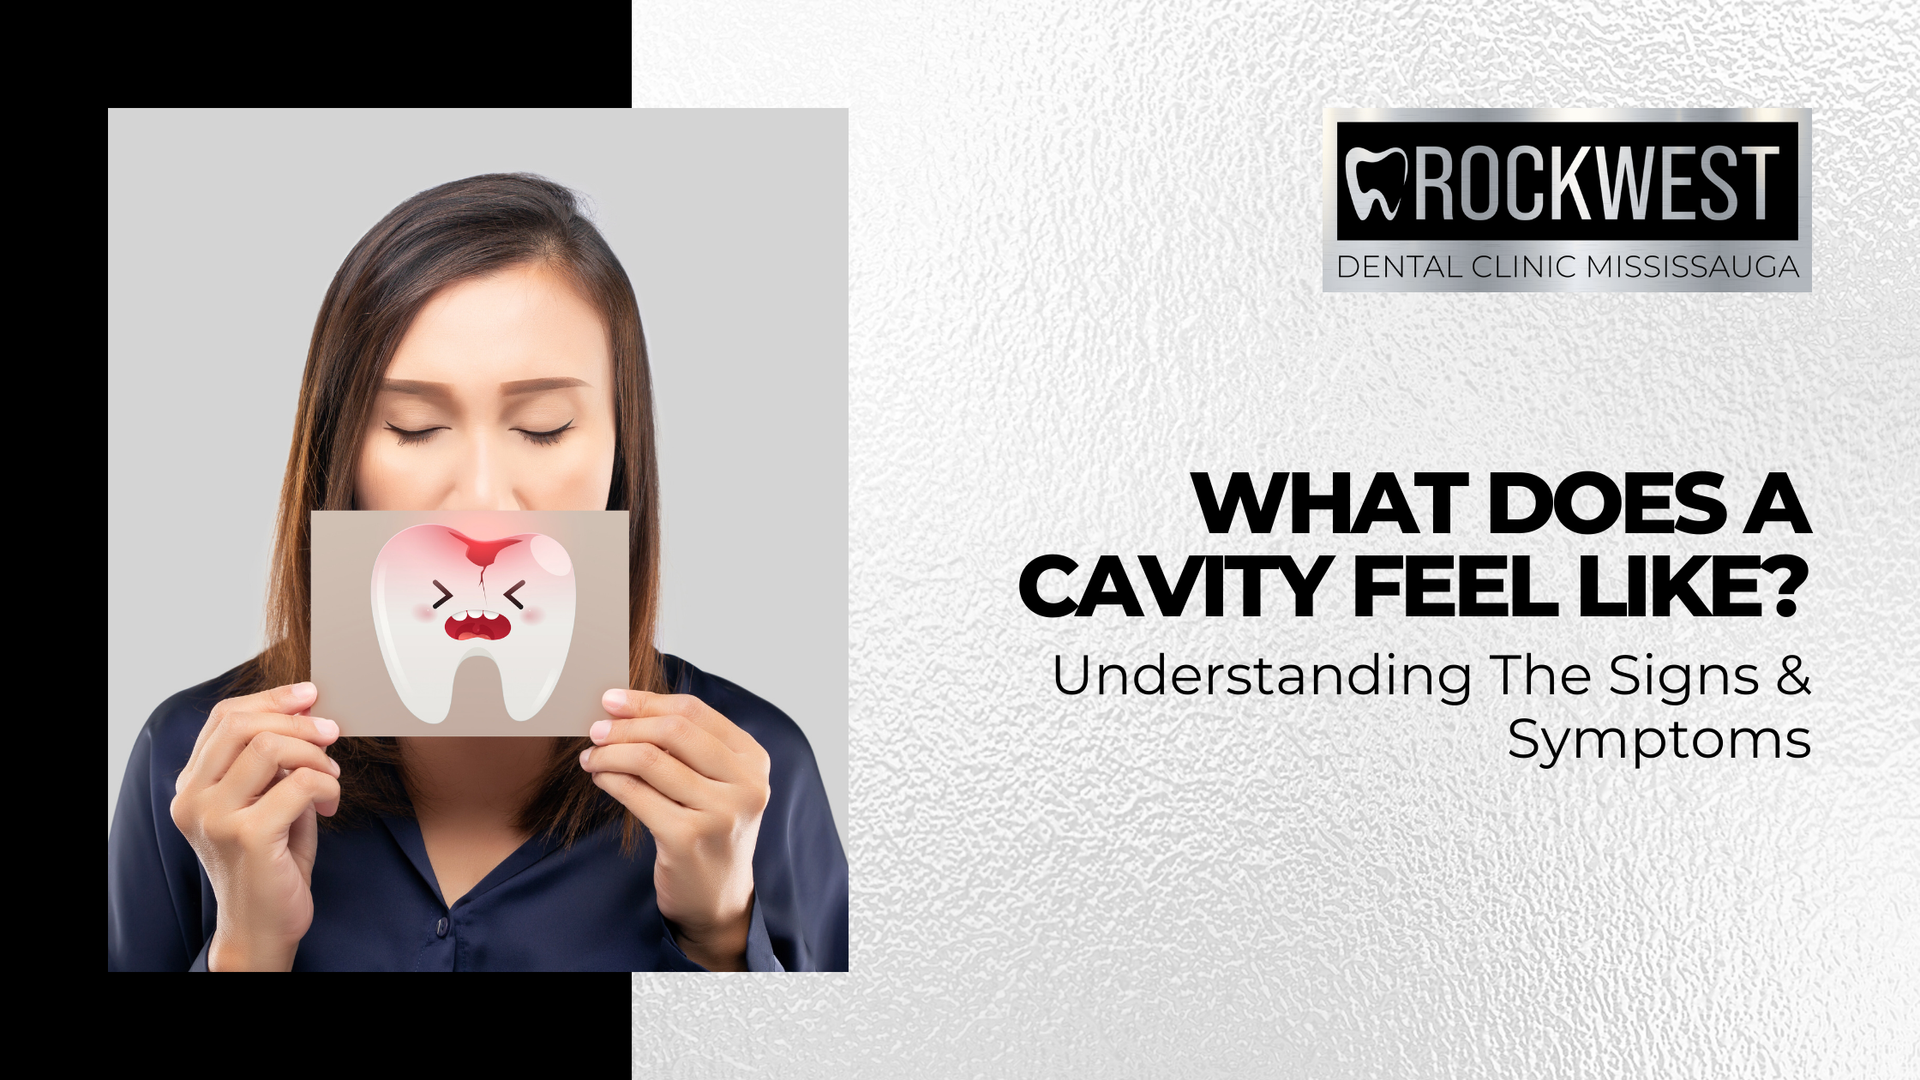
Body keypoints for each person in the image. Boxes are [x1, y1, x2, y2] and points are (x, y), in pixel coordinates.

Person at [107, 174, 848, 971]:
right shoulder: (195, 766)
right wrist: (248, 946)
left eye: (544, 426)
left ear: (620, 454)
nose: (484, 497)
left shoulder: (754, 774)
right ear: (340, 454)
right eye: (415, 427)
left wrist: (724, 936)